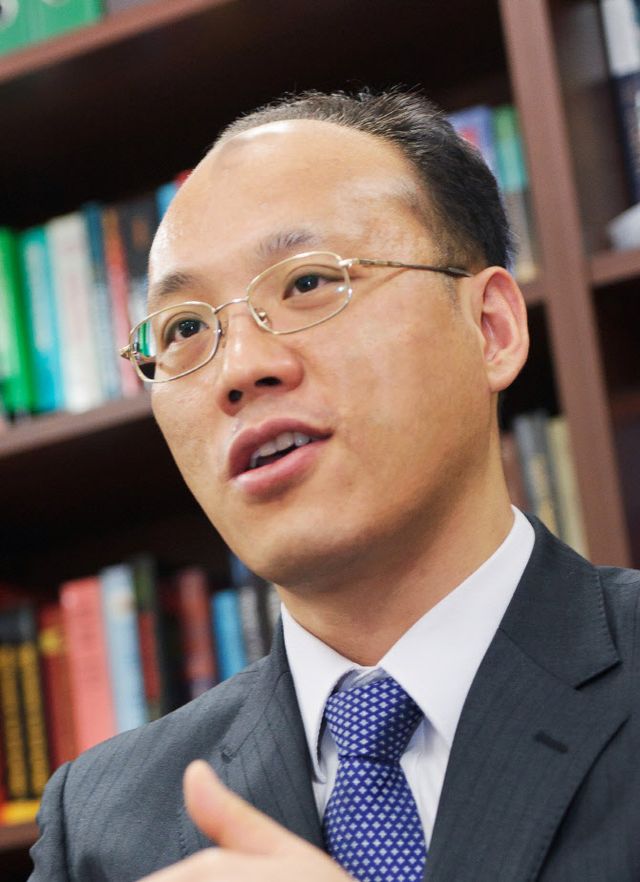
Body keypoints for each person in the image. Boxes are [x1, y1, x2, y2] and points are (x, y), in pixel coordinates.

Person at [29, 90, 639, 882]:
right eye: (185, 329)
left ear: (491, 329)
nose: (241, 367)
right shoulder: (100, 826)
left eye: (309, 282)